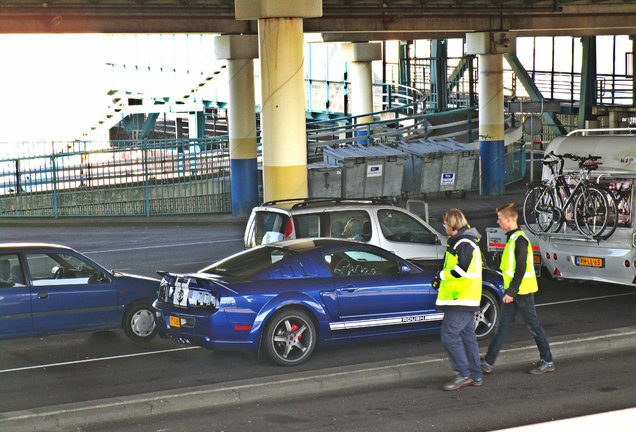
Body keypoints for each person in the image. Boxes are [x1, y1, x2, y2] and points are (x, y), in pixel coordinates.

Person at [481, 203, 554, 375]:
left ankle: (547, 360)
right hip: (514, 291)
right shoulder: (513, 238)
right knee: (502, 325)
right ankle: (489, 362)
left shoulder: (520, 241)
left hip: (522, 292)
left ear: (508, 220)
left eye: (499, 219)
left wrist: (511, 292)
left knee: (533, 326)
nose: (498, 222)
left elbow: (521, 269)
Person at [432, 208, 483, 391]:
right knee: (468, 336)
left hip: (461, 298)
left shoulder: (464, 243)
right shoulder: (463, 241)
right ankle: (475, 374)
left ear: (453, 225)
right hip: (465, 298)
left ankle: (464, 373)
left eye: (445, 223)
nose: (444, 226)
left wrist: (441, 275)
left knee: (449, 335)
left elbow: (460, 270)